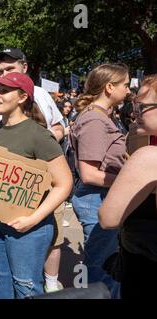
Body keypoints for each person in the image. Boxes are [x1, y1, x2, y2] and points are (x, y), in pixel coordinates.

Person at [0, 48, 66, 293]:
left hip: (28, 226)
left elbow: (64, 184)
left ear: (23, 97)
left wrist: (32, 220)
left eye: (4, 90)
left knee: (25, 286)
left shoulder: (39, 135)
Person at [70, 63, 130, 298]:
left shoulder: (100, 117)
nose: (128, 90)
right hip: (96, 200)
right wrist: (128, 180)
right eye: (124, 85)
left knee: (104, 266)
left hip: (100, 199)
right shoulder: (95, 121)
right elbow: (90, 173)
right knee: (103, 270)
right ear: (109, 87)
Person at [99, 74, 157, 298]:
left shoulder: (148, 157)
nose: (134, 113)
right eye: (134, 105)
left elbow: (108, 218)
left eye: (143, 107)